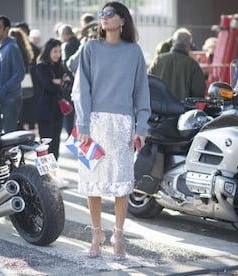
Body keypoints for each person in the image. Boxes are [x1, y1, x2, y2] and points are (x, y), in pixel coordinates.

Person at [72, 1, 151, 260]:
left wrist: (141, 125)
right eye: (101, 14)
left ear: (122, 20)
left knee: (121, 186)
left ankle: (117, 235)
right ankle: (97, 234)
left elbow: (142, 91)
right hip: (92, 124)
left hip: (122, 125)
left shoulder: (134, 51)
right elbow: (80, 89)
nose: (103, 18)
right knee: (92, 183)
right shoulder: (90, 48)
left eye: (109, 14)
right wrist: (82, 125)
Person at [35, 38, 71, 160]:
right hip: (44, 111)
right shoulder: (41, 67)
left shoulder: (60, 66)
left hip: (57, 111)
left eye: (59, 51)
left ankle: (54, 171)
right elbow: (49, 86)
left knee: (55, 143)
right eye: (55, 51)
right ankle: (43, 174)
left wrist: (58, 82)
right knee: (45, 145)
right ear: (48, 51)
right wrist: (60, 82)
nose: (58, 54)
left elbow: (68, 84)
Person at [148, 28, 206, 101]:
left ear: (173, 42)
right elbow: (199, 92)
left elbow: (148, 83)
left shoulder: (158, 60)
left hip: (159, 108)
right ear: (189, 45)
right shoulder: (193, 65)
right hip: (183, 110)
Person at [0, 15, 25, 134]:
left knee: (8, 136)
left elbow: (19, 74)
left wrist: (3, 90)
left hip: (10, 99)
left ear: (7, 29)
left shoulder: (12, 48)